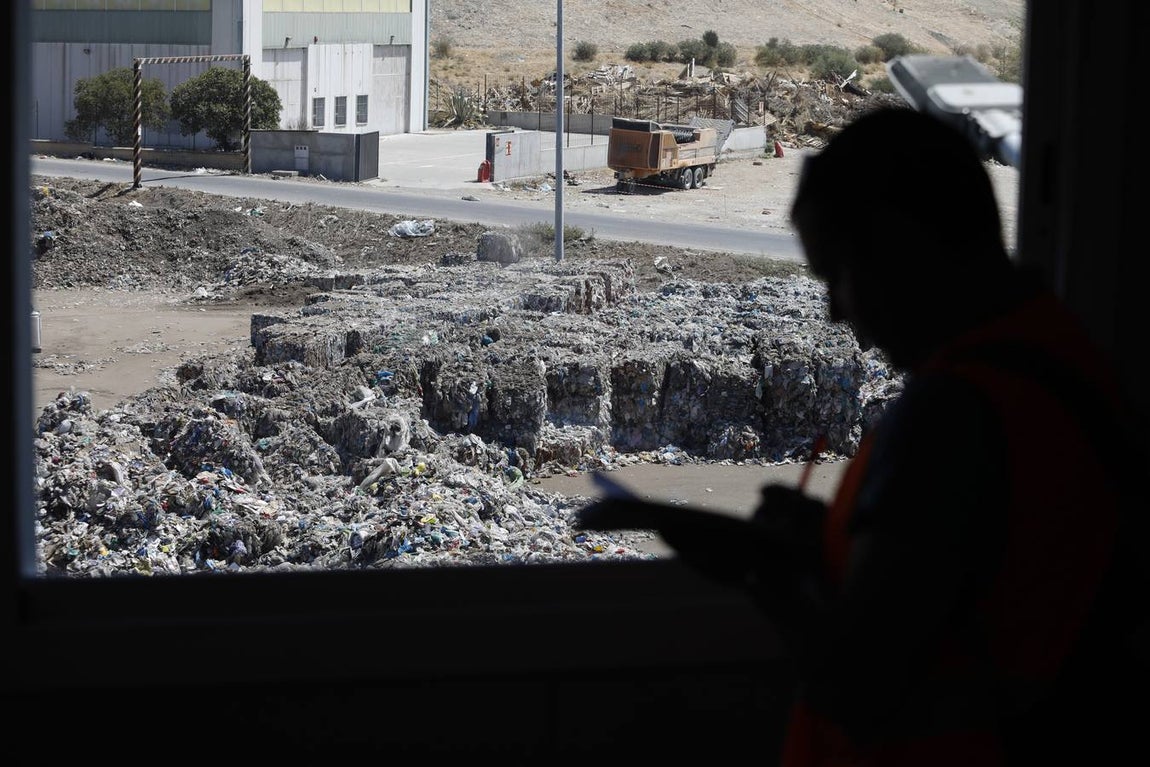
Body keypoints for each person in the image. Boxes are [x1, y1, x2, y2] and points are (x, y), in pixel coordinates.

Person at [580, 106, 1147, 765]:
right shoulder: (1061, 360)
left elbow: (858, 682)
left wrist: (757, 567)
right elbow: (958, 586)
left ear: (904, 246)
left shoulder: (955, 412)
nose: (835, 309)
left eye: (838, 274)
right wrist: (832, 541)